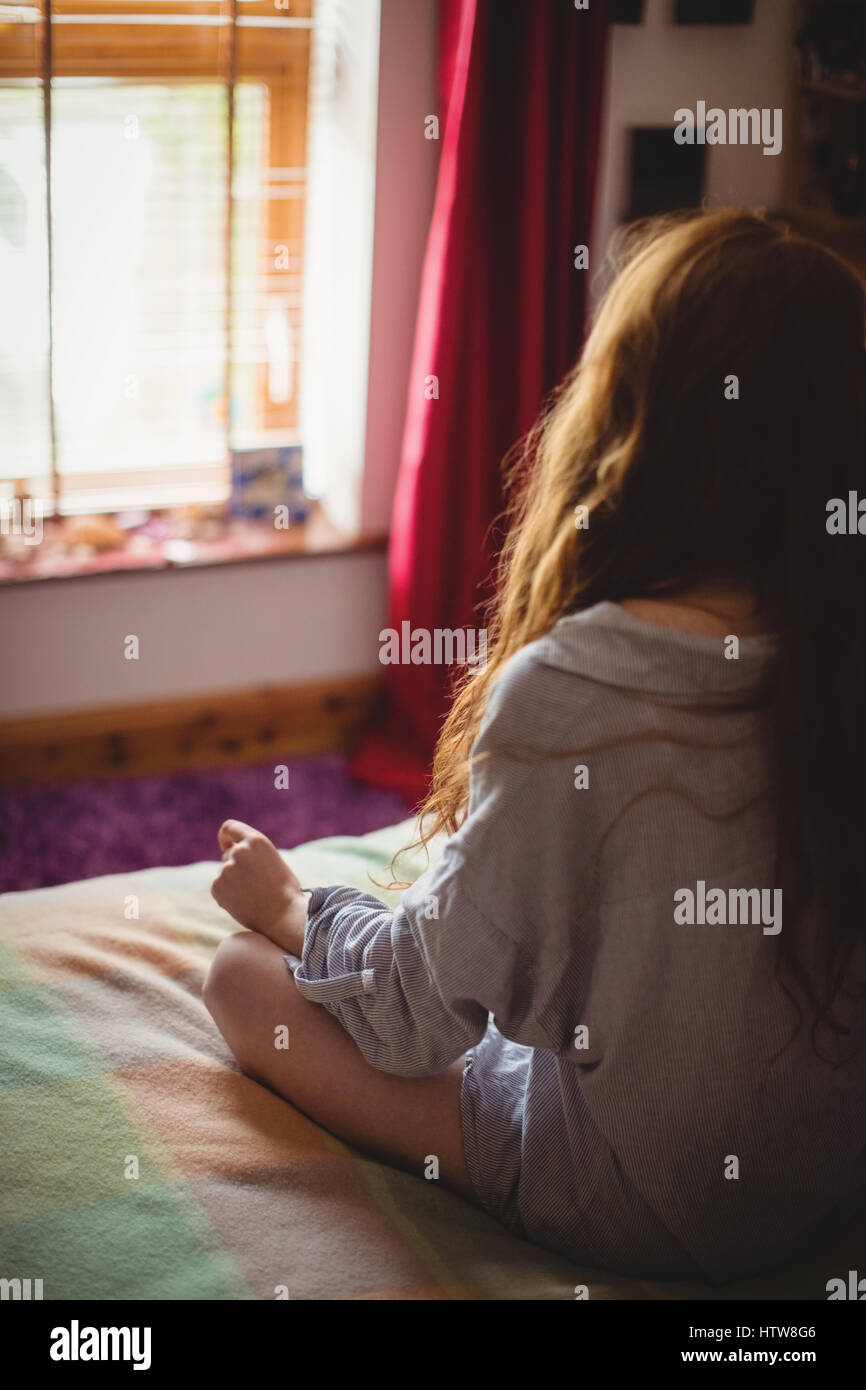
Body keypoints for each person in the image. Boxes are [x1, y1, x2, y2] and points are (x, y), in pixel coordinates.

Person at [204, 209, 866, 1284]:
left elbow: (419, 1015)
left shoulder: (575, 690)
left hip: (639, 1204)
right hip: (824, 1181)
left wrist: (289, 909)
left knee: (239, 977)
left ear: (628, 421)